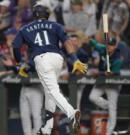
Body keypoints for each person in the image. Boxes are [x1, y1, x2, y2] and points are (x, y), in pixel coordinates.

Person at [12, 4, 87, 135]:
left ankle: (71, 113)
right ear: (47, 15)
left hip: (42, 59)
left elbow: (15, 46)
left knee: (52, 91)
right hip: (57, 59)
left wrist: (18, 63)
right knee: (49, 92)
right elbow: (67, 42)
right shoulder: (56, 25)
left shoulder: (25, 29)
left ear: (34, 15)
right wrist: (75, 59)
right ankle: (47, 128)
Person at [88, 37, 123, 135]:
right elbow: (93, 43)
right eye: (108, 45)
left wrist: (98, 72)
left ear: (115, 46)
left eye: (112, 45)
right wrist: (89, 39)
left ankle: (109, 132)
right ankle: (107, 105)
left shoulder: (117, 58)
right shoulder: (103, 48)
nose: (109, 47)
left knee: (112, 109)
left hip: (113, 83)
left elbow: (111, 73)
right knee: (92, 97)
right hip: (102, 81)